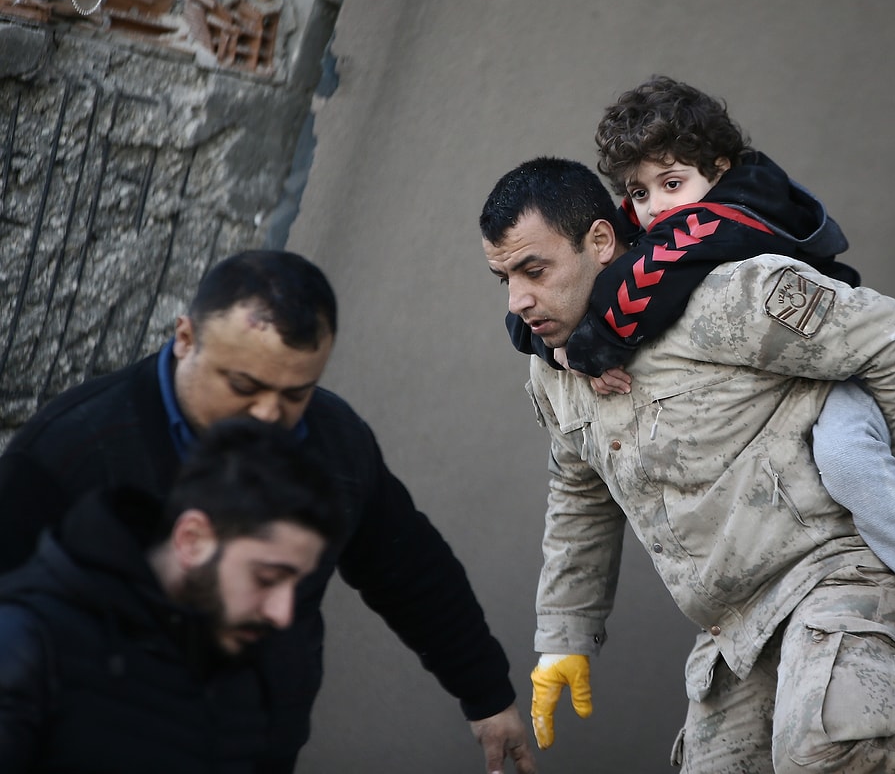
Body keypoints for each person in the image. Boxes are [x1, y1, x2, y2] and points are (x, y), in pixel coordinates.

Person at [511, 76, 895, 771]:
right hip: (738, 622)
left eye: (533, 269)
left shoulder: (730, 287)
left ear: (597, 241)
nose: (519, 296)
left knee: (821, 753)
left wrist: (893, 484)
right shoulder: (561, 363)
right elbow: (580, 499)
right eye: (640, 192)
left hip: (832, 568)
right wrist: (563, 633)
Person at [0, 250, 535, 774]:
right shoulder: (68, 450)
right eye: (243, 386)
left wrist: (486, 694)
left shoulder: (336, 442)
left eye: (295, 394)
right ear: (185, 339)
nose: (267, 414)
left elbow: (410, 570)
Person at [0, 418, 341, 772]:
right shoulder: (27, 643)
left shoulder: (240, 669)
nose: (282, 613)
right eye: (267, 578)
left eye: (296, 584)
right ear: (192, 540)